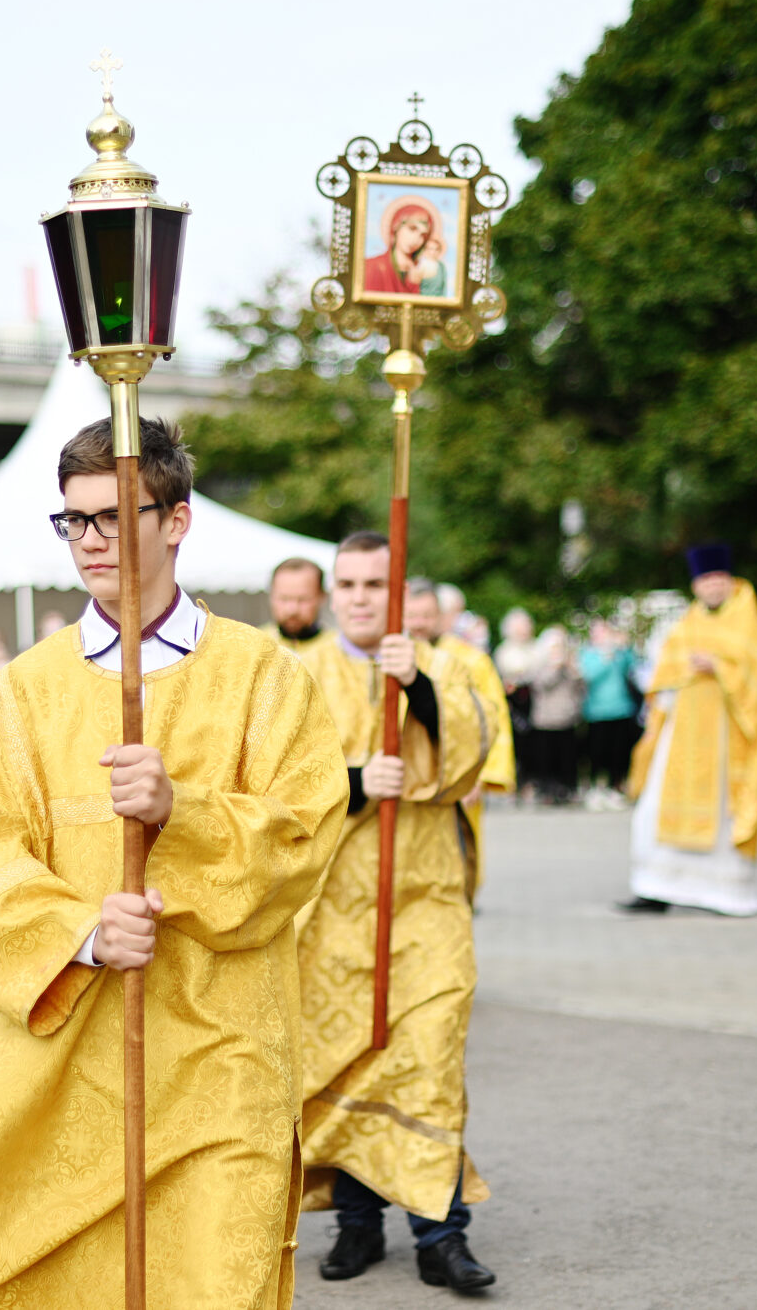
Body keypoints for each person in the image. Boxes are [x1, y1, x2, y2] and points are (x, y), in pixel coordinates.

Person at [0, 416, 348, 1308]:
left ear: (176, 519)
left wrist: (185, 811)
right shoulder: (25, 691)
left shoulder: (263, 678)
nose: (90, 541)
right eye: (74, 520)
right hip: (75, 1060)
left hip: (226, 1055)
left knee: (219, 1280)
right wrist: (86, 931)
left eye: (112, 515)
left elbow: (305, 835)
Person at [292, 533, 495, 1293]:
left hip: (425, 902)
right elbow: (272, 785)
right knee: (350, 1051)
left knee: (430, 1058)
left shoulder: (444, 665)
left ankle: (442, 1235)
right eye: (346, 583)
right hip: (336, 913)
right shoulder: (300, 671)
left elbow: (474, 754)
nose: (359, 596)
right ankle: (356, 1225)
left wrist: (419, 691)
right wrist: (351, 781)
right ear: (330, 592)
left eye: (376, 582)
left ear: (399, 589)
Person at [621, 545, 757, 917]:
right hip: (680, 733)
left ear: (729, 580)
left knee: (723, 811)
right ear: (695, 585)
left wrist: (719, 667)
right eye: (704, 580)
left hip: (726, 737)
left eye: (717, 579)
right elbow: (664, 672)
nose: (711, 587)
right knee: (654, 808)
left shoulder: (746, 622)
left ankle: (726, 892)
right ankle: (655, 887)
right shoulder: (685, 623)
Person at [409, 579, 516, 851]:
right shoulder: (393, 657)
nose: (419, 623)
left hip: (459, 779)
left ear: (442, 617)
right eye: (412, 616)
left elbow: (494, 718)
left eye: (426, 616)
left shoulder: (472, 660)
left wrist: (478, 775)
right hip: (408, 780)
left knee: (458, 856)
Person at [579, 620, 638, 809]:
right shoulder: (588, 654)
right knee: (597, 752)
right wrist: (605, 659)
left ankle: (615, 787)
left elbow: (633, 667)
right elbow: (588, 676)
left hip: (621, 709)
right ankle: (596, 789)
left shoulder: (619, 653)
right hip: (597, 711)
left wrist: (625, 647)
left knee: (618, 752)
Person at [526, 625, 585, 805]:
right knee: (546, 758)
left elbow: (580, 685)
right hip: (545, 720)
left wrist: (570, 668)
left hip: (566, 718)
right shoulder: (539, 664)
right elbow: (542, 684)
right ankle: (547, 791)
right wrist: (555, 668)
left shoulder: (570, 664)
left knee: (567, 758)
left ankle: (567, 789)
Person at [492, 608, 541, 803]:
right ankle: (513, 784)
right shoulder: (503, 651)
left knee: (534, 745)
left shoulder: (536, 649)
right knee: (515, 745)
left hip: (534, 702)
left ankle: (530, 784)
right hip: (513, 704)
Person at [264, 555, 328, 651]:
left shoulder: (341, 651)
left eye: (303, 599)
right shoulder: (254, 645)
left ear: (321, 597)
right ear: (271, 596)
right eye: (284, 599)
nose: (292, 609)